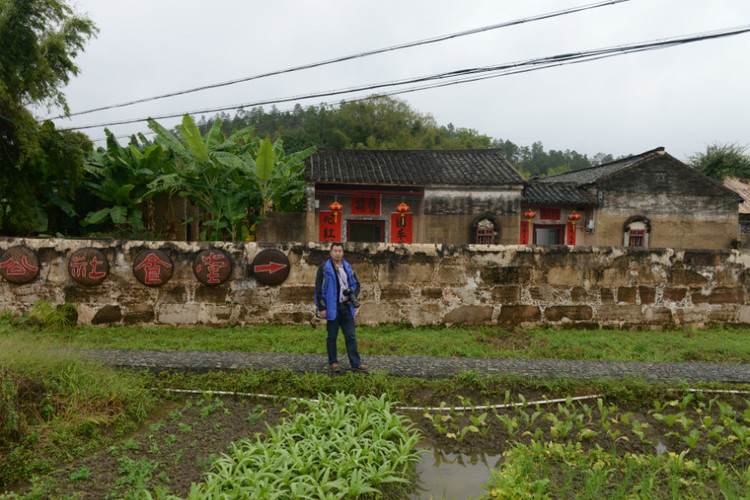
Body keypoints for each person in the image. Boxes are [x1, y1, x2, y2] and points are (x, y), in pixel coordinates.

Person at [314, 242, 367, 373]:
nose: (337, 253)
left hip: (346, 308)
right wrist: (322, 308)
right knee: (332, 336)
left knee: (351, 336)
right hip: (332, 308)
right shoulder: (325, 268)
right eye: (335, 251)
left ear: (343, 253)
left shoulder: (348, 267)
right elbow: (318, 289)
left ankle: (356, 363)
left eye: (340, 251)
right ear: (331, 253)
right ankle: (333, 362)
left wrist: (353, 296)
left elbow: (357, 285)